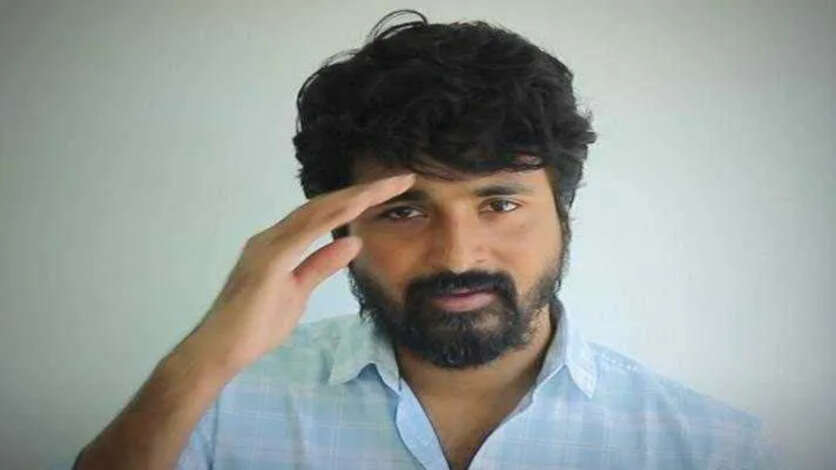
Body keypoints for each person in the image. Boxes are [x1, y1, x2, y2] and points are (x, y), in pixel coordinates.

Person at [74, 9, 777, 470]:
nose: (458, 255)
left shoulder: (709, 449)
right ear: (339, 226)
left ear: (563, 211)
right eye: (404, 212)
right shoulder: (212, 410)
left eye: (499, 203)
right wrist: (206, 356)